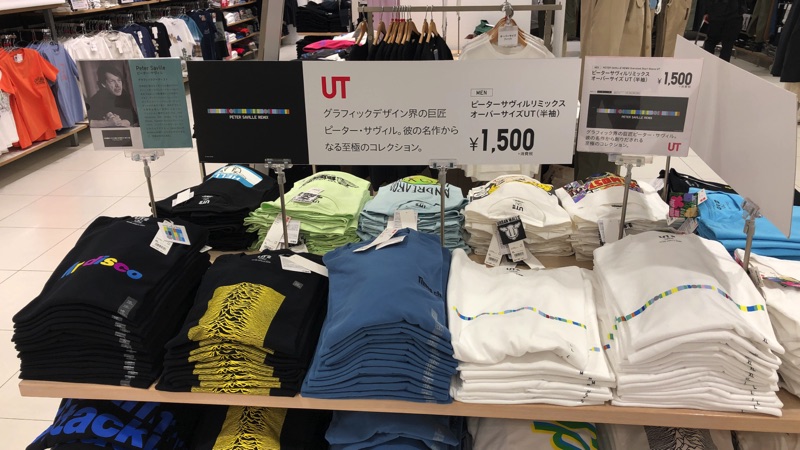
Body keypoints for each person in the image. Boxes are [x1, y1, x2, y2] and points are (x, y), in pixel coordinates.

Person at [86, 63, 138, 128]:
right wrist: (107, 123)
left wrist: (123, 122)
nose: (118, 85)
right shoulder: (95, 100)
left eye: (119, 80)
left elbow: (133, 118)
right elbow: (88, 123)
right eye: (112, 81)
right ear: (103, 84)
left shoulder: (123, 94)